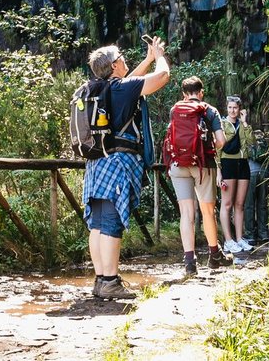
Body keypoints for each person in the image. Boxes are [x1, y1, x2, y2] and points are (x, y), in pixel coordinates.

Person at [82, 37, 170, 300]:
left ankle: (101, 280)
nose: (124, 59)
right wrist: (159, 56)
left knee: (97, 223)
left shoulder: (105, 89)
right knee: (111, 221)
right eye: (121, 57)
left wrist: (147, 59)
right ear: (114, 65)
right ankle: (110, 282)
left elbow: (131, 83)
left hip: (97, 162)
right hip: (118, 163)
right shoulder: (121, 89)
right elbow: (163, 77)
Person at [167, 77, 232, 275]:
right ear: (201, 92)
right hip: (203, 165)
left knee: (186, 213)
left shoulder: (175, 110)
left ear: (184, 94)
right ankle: (214, 255)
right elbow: (221, 141)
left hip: (178, 164)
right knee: (207, 211)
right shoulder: (210, 110)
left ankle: (189, 262)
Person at [217, 95, 256, 255]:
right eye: (230, 107)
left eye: (236, 108)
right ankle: (228, 240)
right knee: (227, 204)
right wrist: (218, 172)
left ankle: (240, 238)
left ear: (240, 109)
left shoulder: (242, 124)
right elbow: (216, 149)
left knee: (240, 204)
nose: (233, 110)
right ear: (227, 108)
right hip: (227, 164)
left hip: (243, 164)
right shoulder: (221, 124)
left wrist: (245, 122)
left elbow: (251, 142)